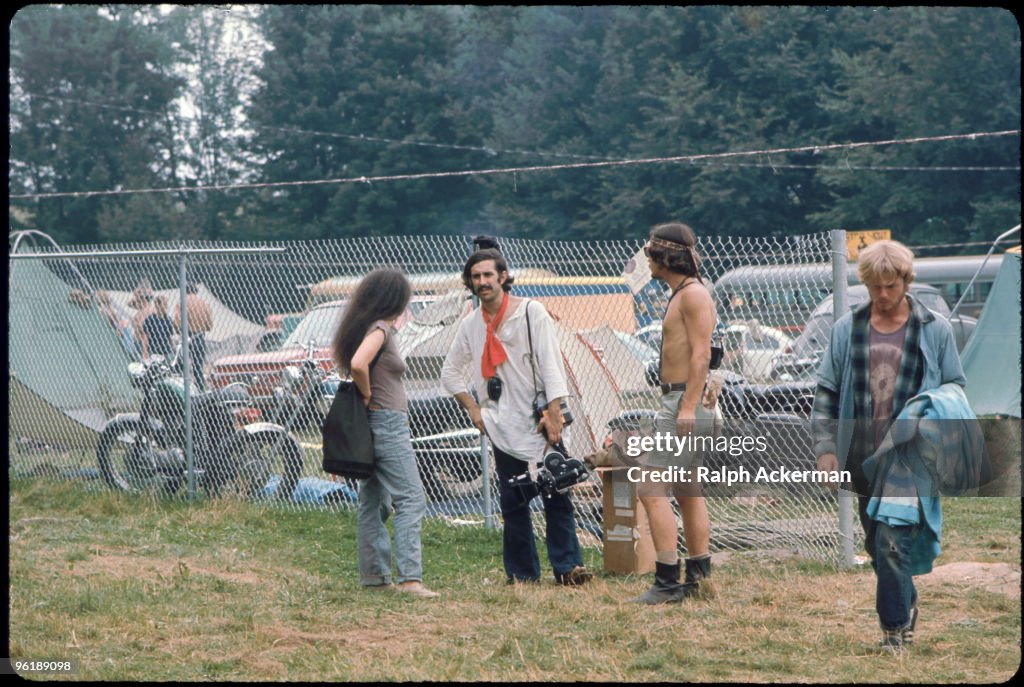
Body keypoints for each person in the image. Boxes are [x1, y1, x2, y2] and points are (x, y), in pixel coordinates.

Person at [812, 240, 968, 653]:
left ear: (905, 281)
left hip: (909, 456)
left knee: (891, 542)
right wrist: (826, 448)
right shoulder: (847, 329)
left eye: (891, 286)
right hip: (860, 452)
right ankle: (906, 601)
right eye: (875, 287)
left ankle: (894, 631)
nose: (883, 295)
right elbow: (827, 390)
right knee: (877, 545)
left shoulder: (934, 328)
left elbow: (955, 383)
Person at [440, 248, 593, 586]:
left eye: (488, 275)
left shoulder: (530, 312)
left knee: (557, 490)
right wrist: (473, 408)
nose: (482, 282)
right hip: (501, 425)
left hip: (539, 419)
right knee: (513, 501)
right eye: (476, 277)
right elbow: (449, 373)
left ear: (503, 277)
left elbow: (551, 364)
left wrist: (555, 412)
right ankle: (522, 574)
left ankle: (568, 568)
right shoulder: (470, 326)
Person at [332, 268, 438, 598]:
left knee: (373, 502)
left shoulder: (367, 327)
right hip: (387, 424)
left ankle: (374, 577)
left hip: (374, 425)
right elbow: (359, 364)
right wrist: (366, 393)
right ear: (394, 300)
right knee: (411, 498)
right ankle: (410, 580)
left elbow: (359, 362)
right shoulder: (382, 329)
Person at [631, 222, 717, 604]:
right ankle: (699, 578)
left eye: (649, 253)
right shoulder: (682, 293)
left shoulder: (693, 295)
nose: (646, 260)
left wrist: (686, 406)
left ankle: (667, 581)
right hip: (681, 398)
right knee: (686, 488)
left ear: (666, 255)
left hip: (683, 401)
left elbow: (702, 354)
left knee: (649, 487)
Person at [174, 282, 213, 391]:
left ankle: (181, 391)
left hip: (187, 336)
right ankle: (200, 391)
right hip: (200, 337)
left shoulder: (182, 303)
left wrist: (179, 331)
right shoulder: (204, 304)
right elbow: (209, 326)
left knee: (180, 367)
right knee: (198, 368)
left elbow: (177, 322)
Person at [142, 295, 175, 359]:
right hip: (153, 349)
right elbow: (145, 336)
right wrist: (145, 351)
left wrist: (172, 348)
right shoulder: (150, 319)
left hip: (166, 350)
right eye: (164, 304)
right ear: (158, 305)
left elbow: (169, 336)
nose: (166, 306)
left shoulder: (168, 319)